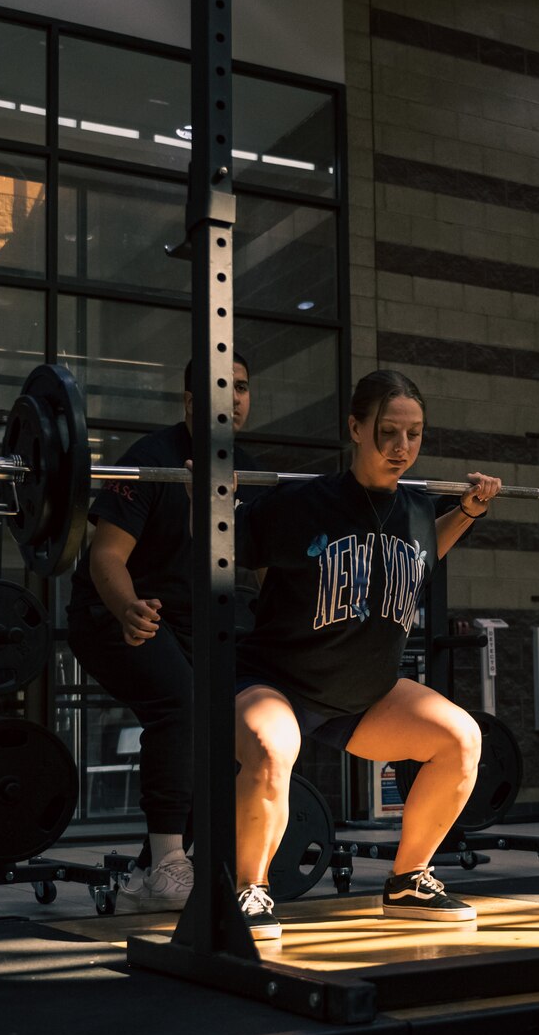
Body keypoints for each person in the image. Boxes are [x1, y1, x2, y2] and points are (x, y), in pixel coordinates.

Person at [227, 370, 501, 939]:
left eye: (415, 435)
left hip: (365, 694)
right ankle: (249, 891)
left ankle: (407, 881)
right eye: (388, 433)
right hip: (280, 682)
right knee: (271, 748)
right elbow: (223, 539)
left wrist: (469, 511)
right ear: (356, 428)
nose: (402, 448)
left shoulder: (420, 510)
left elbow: (423, 553)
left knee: (461, 739)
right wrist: (198, 496)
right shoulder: (299, 502)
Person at [66, 355, 259, 913]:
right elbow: (106, 555)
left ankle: (148, 878)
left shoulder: (248, 471)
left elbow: (270, 565)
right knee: (182, 703)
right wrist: (126, 608)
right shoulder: (152, 461)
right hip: (113, 614)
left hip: (190, 624)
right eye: (224, 387)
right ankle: (171, 861)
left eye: (243, 387)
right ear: (191, 401)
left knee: (228, 722)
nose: (236, 398)